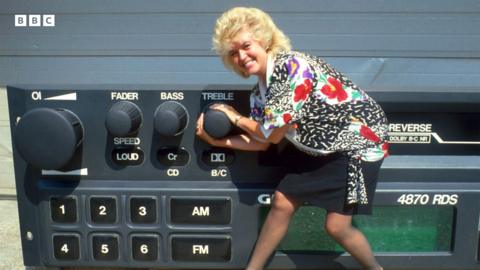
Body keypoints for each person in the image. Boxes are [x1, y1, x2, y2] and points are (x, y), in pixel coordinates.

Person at [196, 6, 388, 270]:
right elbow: (261, 143)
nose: (241, 56)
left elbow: (272, 135)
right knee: (282, 202)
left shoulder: (292, 67)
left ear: (263, 40)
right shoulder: (258, 94)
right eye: (233, 53)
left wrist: (234, 117)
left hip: (359, 144)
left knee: (336, 226)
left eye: (246, 45)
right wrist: (219, 142)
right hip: (319, 147)